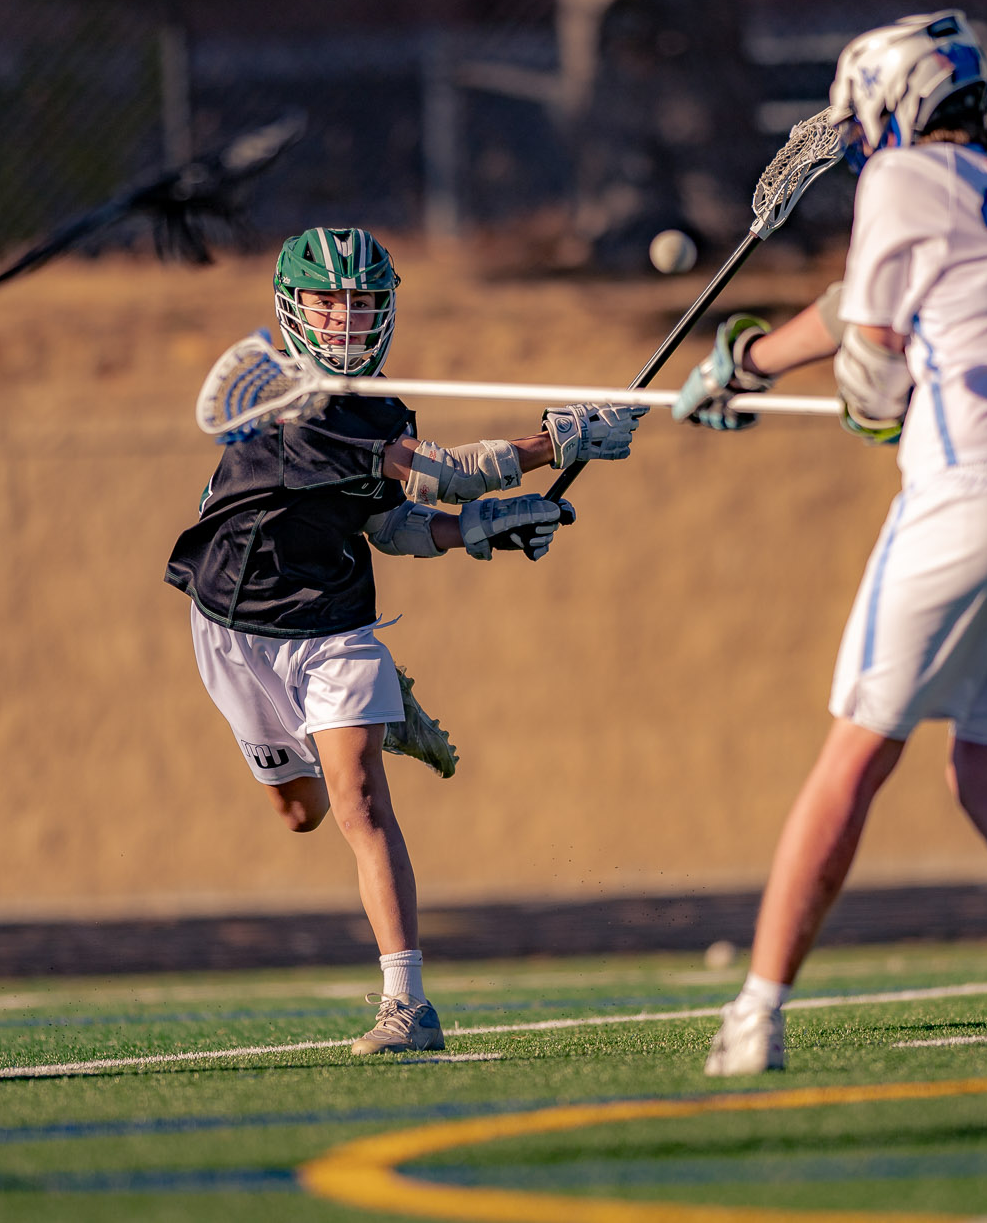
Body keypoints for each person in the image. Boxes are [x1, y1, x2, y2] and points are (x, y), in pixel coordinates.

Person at [675, 12, 987, 1075]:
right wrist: (749, 362)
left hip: (970, 493)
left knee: (853, 754)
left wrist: (851, 390)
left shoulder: (896, 184)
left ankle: (754, 1015)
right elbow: (870, 303)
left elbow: (875, 364)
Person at [166, 226, 641, 1056]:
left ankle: (406, 1004)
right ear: (291, 309)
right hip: (234, 627)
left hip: (336, 622)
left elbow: (395, 525)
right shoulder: (285, 400)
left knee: (359, 802)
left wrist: (485, 528)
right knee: (300, 812)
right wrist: (551, 443)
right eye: (329, 302)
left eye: (363, 304)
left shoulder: (383, 406)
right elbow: (441, 471)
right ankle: (393, 717)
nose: (347, 321)